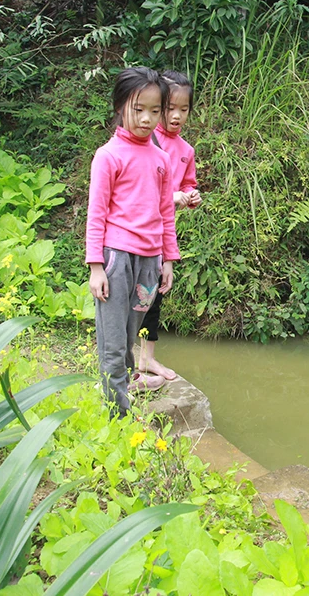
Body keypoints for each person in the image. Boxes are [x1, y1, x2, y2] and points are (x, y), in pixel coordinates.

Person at [86, 66, 180, 417]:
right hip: (115, 259)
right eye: (138, 109)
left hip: (149, 262)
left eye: (155, 111)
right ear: (120, 106)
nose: (146, 119)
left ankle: (119, 400)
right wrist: (96, 267)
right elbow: (96, 215)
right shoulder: (108, 156)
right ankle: (117, 419)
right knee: (113, 342)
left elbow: (165, 213)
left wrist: (167, 260)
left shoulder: (161, 159)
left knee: (129, 336)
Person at [136, 69, 202, 382]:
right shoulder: (146, 140)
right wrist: (175, 196)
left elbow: (187, 185)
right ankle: (123, 359)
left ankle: (146, 359)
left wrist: (190, 196)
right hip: (135, 232)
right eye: (170, 108)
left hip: (162, 235)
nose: (176, 116)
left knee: (154, 297)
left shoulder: (186, 151)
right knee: (128, 298)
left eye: (184, 109)